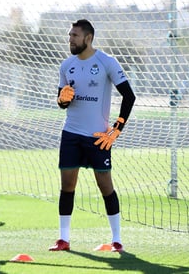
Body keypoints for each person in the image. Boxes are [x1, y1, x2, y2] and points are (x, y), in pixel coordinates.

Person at [49, 19, 136, 253]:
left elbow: (129, 96)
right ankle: (63, 239)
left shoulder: (106, 62)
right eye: (69, 35)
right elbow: (62, 102)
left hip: (98, 136)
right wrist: (62, 100)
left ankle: (117, 239)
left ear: (88, 38)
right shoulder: (66, 65)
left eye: (75, 36)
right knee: (67, 185)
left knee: (105, 186)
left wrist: (116, 129)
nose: (70, 39)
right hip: (71, 133)